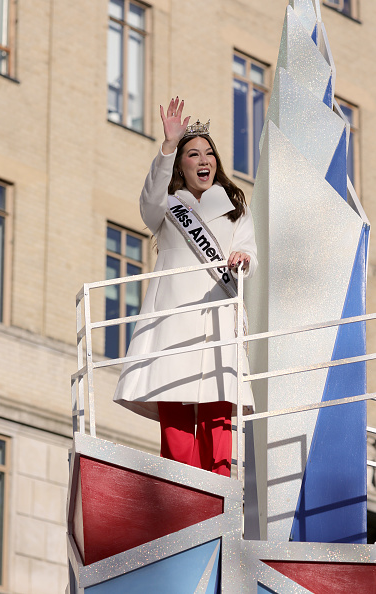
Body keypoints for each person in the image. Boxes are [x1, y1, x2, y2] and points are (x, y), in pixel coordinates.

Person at [113, 97, 258, 477]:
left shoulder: (234, 207)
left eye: (209, 153)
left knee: (216, 417)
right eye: (193, 154)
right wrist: (168, 146)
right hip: (172, 320)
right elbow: (147, 205)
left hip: (216, 321)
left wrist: (243, 259)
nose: (204, 160)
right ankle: (182, 497)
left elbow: (249, 252)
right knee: (175, 417)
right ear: (182, 164)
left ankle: (219, 494)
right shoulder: (167, 204)